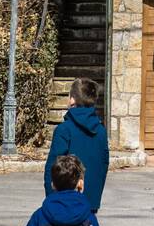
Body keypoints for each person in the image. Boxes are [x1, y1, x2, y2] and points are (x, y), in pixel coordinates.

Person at [44, 78, 109, 213]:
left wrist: (51, 197)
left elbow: (53, 166)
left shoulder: (64, 130)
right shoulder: (101, 131)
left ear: (72, 100)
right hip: (90, 202)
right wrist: (95, 198)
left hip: (63, 201)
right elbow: (103, 165)